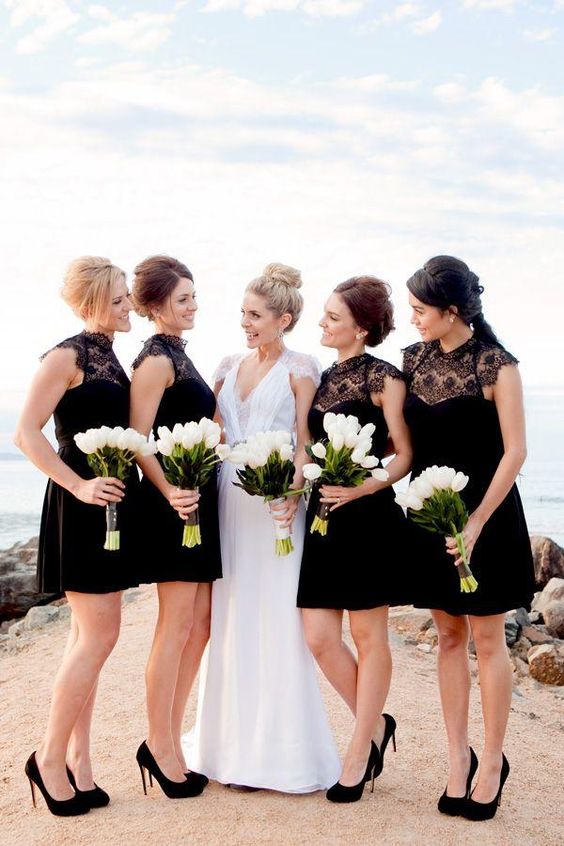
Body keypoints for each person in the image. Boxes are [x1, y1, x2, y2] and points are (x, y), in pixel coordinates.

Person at [184, 263, 341, 792]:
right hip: (228, 503)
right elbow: (214, 433)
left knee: (277, 622)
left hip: (275, 507)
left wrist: (293, 498)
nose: (245, 323)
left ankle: (278, 755)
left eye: (255, 315)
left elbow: (303, 441)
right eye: (243, 314)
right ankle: (228, 749)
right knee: (231, 619)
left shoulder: (302, 367)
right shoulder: (227, 365)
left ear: (284, 318)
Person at [402, 255, 535, 821]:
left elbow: (515, 451)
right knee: (448, 636)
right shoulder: (411, 362)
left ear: (451, 311)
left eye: (420, 310)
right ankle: (458, 757)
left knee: (487, 639)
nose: (413, 319)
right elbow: (398, 440)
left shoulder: (497, 365)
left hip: (489, 517)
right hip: (431, 516)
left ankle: (492, 761)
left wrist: (478, 520)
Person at [15, 257, 137, 816]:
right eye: (116, 299)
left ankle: (80, 763)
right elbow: (25, 434)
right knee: (97, 637)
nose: (127, 305)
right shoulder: (66, 355)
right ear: (88, 304)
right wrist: (80, 486)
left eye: (127, 296)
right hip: (80, 503)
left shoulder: (113, 358)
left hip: (109, 504)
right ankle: (47, 758)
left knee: (89, 638)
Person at [297, 276, 412, 803]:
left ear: (361, 328)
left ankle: (358, 750)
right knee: (319, 636)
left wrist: (359, 489)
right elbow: (308, 444)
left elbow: (402, 456)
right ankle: (376, 726)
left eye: (332, 317)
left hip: (367, 521)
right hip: (322, 519)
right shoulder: (320, 378)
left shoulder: (385, 378)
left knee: (369, 639)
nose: (322, 323)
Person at [130, 255, 221, 799]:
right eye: (184, 298)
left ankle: (171, 732)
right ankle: (158, 744)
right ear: (158, 305)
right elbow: (138, 438)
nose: (193, 305)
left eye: (193, 296)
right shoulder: (155, 361)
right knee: (176, 624)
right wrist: (170, 492)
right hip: (172, 504)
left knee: (202, 622)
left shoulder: (181, 356)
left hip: (198, 498)